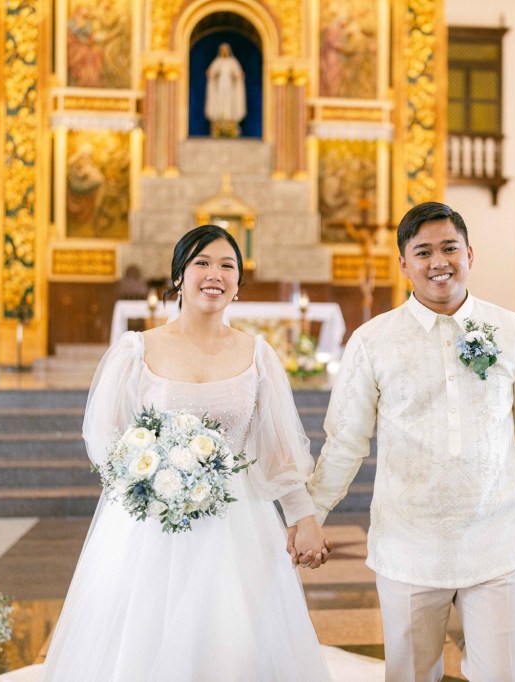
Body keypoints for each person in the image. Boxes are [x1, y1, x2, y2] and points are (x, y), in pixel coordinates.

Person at [300, 201, 515, 682]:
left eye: (449, 248)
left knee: (504, 675)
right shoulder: (372, 340)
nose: (438, 262)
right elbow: (345, 440)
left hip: (495, 538)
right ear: (404, 263)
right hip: (408, 542)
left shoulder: (510, 331)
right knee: (410, 675)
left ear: (470, 254)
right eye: (423, 252)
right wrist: (313, 516)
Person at [41, 225, 332, 680]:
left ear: (238, 283)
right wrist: (151, 474)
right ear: (179, 275)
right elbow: (107, 441)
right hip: (151, 523)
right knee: (145, 637)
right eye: (202, 263)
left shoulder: (258, 354)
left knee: (232, 637)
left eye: (227, 265)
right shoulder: (136, 350)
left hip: (237, 520)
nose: (215, 274)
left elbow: (278, 449)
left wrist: (303, 517)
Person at [204, 43, 246, 137]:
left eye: (225, 50)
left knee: (229, 102)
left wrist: (239, 76)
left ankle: (230, 121)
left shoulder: (232, 62)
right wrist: (211, 73)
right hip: (220, 86)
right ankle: (219, 122)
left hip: (229, 85)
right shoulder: (218, 61)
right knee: (220, 102)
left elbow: (237, 73)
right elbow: (212, 72)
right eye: (222, 50)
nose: (224, 52)